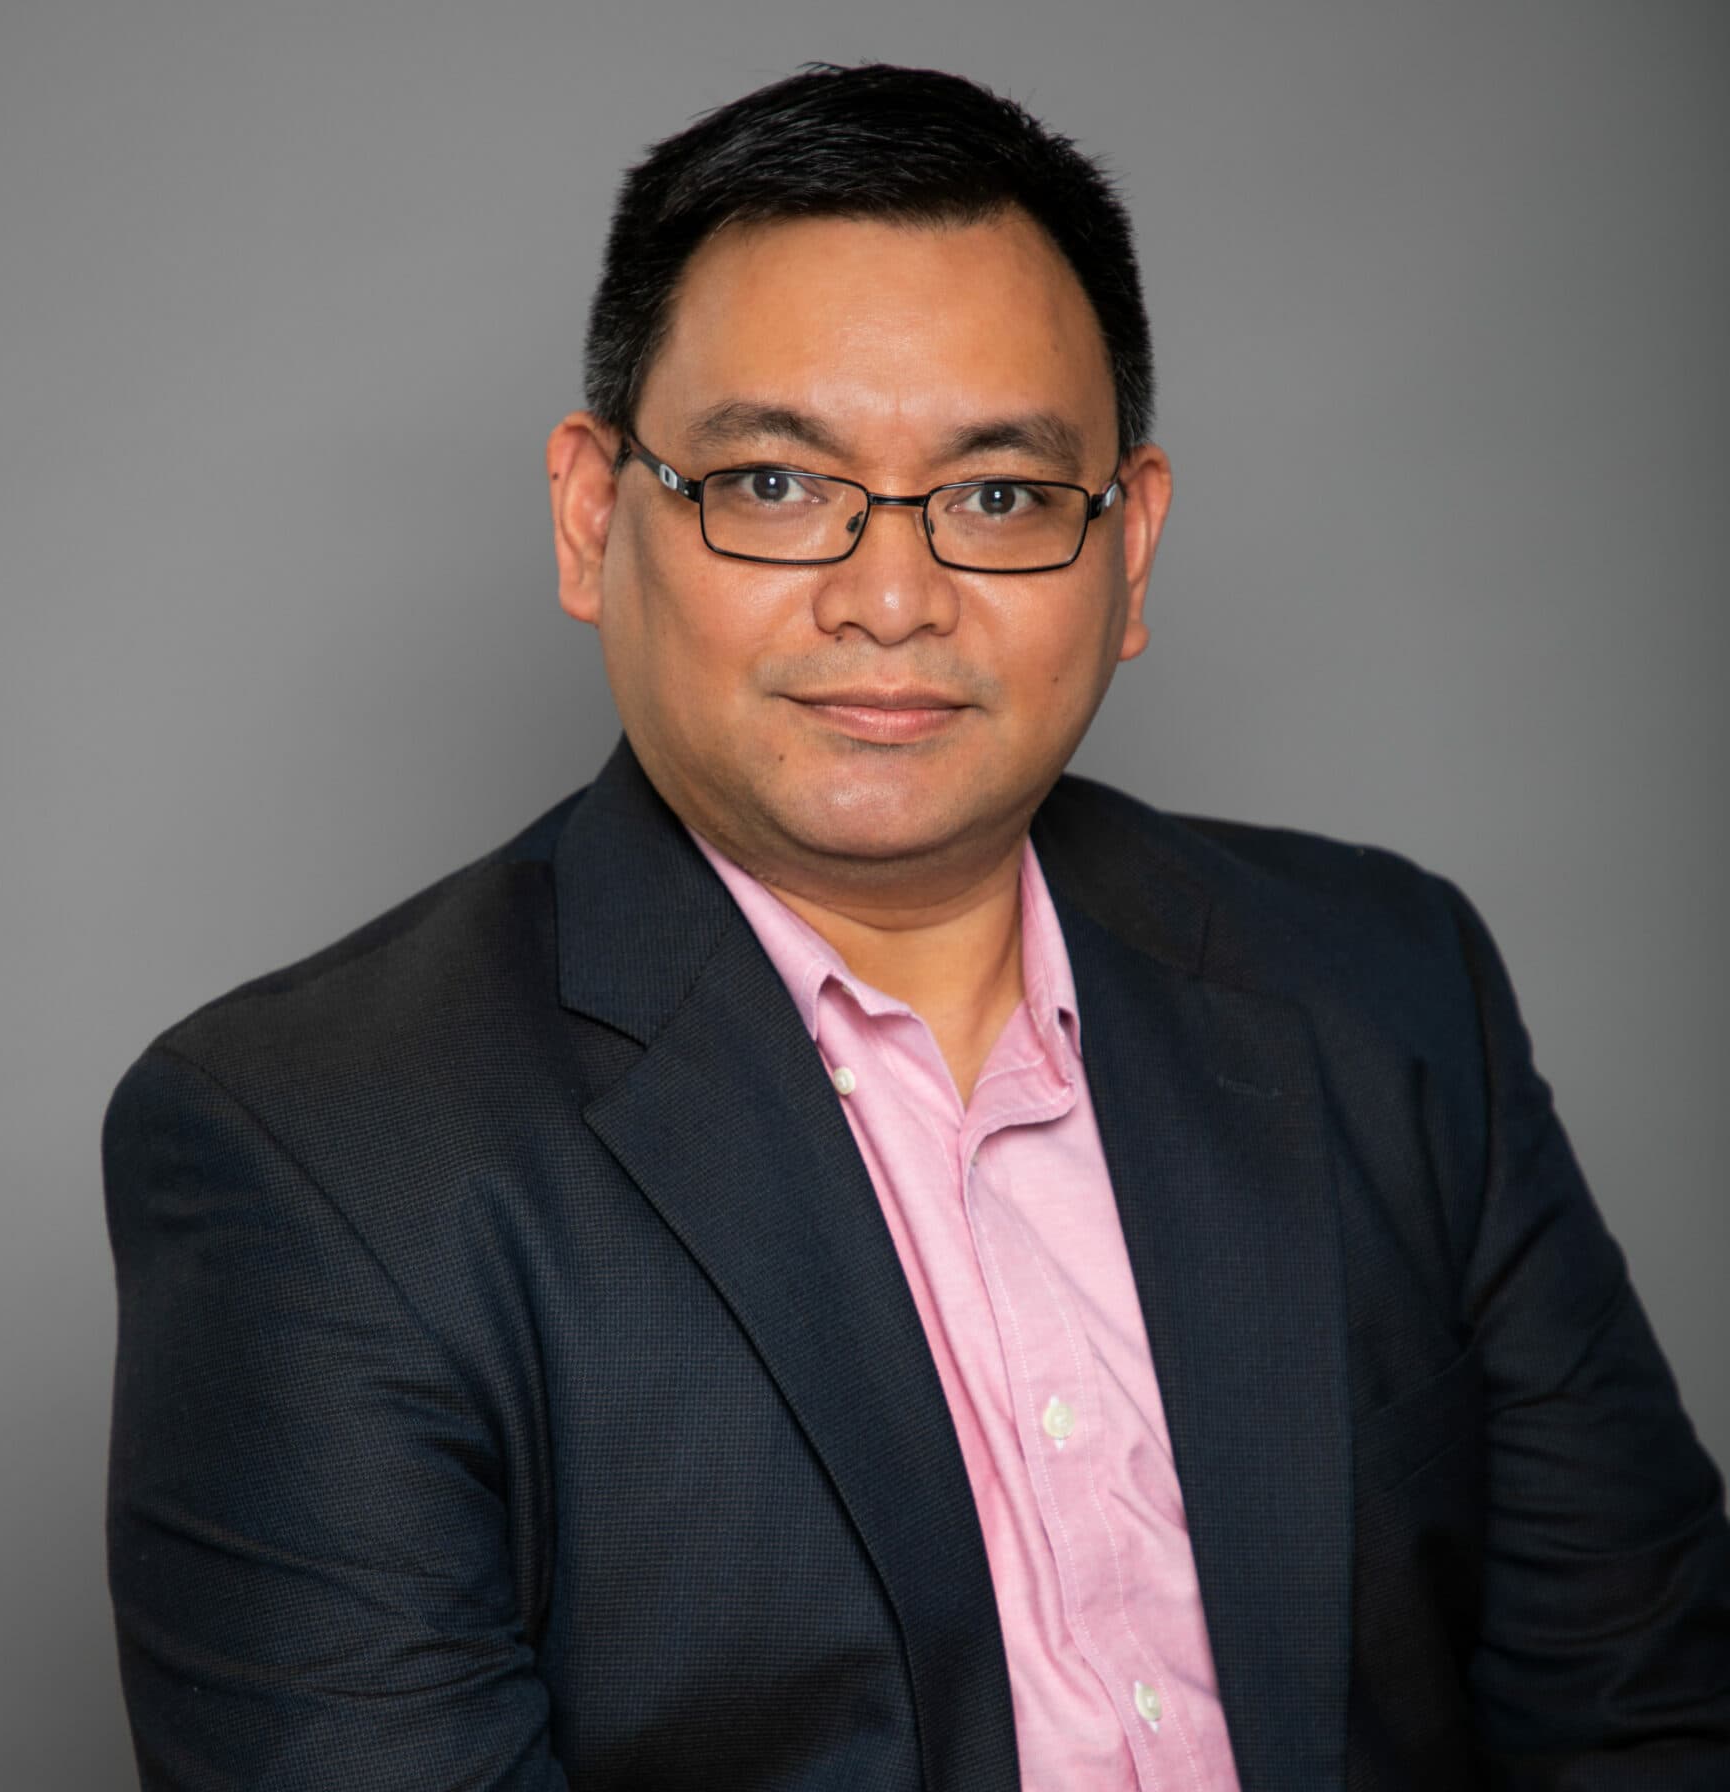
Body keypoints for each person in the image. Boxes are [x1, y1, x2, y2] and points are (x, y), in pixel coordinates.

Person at [101, 61, 1730, 1791]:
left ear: (1131, 549)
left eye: (1002, 497)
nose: (893, 600)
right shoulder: (322, 1159)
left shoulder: (1388, 992)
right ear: (592, 519)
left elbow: (1650, 1717)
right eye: (773, 484)